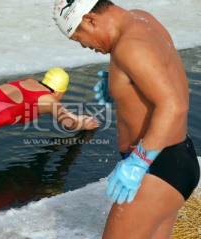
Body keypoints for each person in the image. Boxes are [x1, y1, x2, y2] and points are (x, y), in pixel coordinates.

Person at [54, 0, 199, 238]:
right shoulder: (142, 19)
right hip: (177, 159)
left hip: (156, 167)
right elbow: (162, 71)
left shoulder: (129, 47)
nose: (84, 46)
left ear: (90, 20)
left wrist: (139, 161)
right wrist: (122, 84)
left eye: (80, 38)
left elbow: (174, 106)